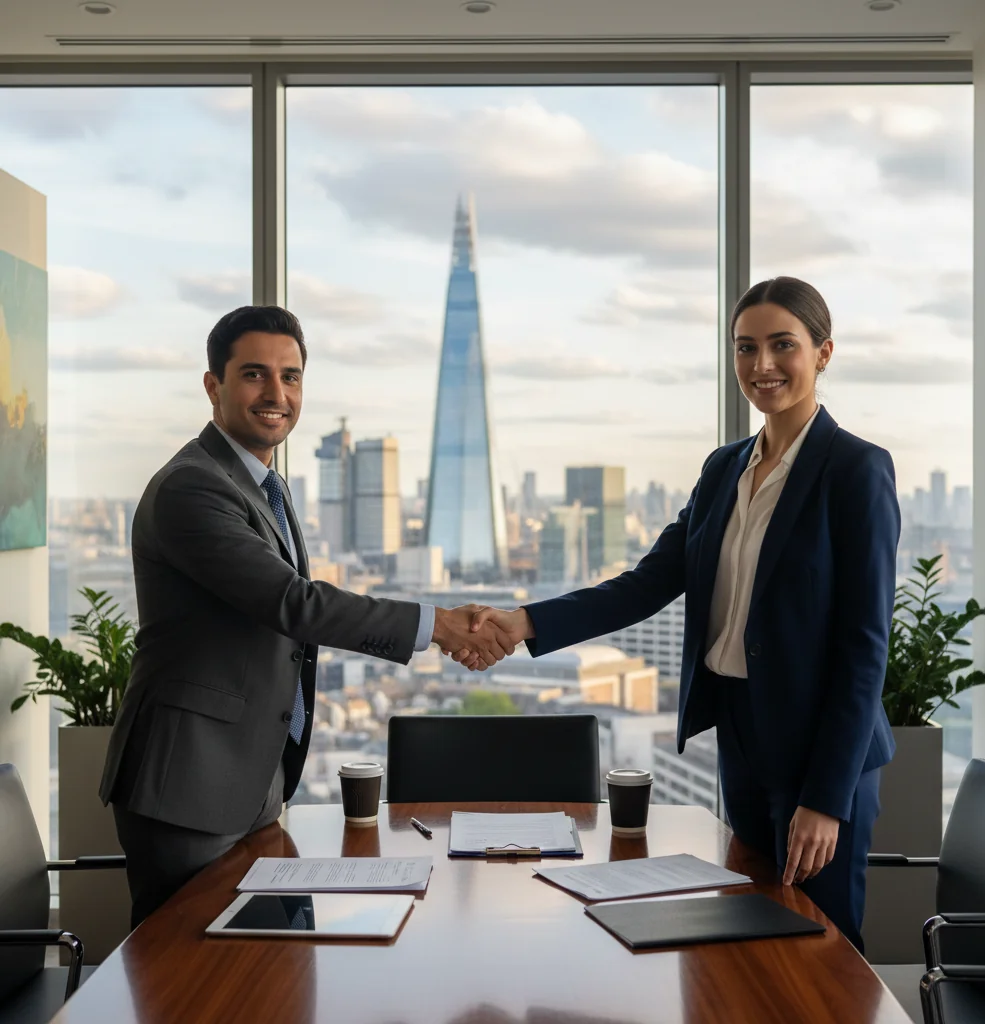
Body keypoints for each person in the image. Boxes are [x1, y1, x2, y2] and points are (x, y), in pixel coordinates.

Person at [465, 277, 898, 951]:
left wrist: (827, 796)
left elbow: (864, 646)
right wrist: (524, 621)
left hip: (821, 746)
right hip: (742, 731)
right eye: (745, 348)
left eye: (783, 345)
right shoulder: (724, 468)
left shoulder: (856, 470)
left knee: (822, 945)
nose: (761, 366)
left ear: (824, 352)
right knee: (752, 929)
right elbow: (647, 585)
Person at [100, 305, 513, 926]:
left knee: (261, 975)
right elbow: (293, 604)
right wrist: (439, 625)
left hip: (248, 776)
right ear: (213, 385)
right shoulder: (193, 487)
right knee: (184, 982)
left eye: (291, 377)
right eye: (254, 375)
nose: (276, 394)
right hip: (187, 783)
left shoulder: (263, 482)